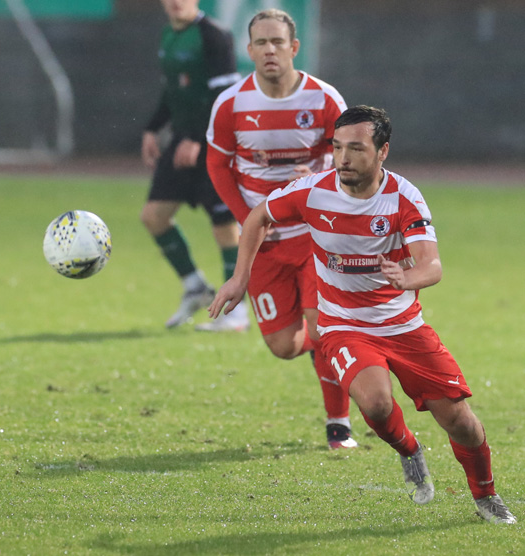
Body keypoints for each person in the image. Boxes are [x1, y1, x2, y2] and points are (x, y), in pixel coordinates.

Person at [210, 105, 517, 524]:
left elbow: (432, 265)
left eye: (356, 148)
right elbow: (259, 217)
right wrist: (239, 277)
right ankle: (410, 450)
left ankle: (486, 495)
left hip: (403, 325)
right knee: (375, 403)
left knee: (459, 420)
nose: (343, 158)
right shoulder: (312, 191)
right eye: (337, 147)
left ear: (382, 151)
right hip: (343, 324)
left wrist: (408, 278)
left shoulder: (404, 197)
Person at [205, 9, 355, 448]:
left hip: (316, 239)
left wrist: (331, 191)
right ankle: (321, 346)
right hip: (264, 245)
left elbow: (351, 160)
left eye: (277, 42)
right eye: (261, 43)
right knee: (285, 346)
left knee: (322, 329)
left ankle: (339, 425)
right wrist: (245, 217)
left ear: (294, 47)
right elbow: (217, 165)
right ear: (249, 50)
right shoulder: (231, 104)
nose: (269, 50)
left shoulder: (325, 99)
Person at [141, 0, 249, 332]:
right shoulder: (169, 35)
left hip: (214, 143)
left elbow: (225, 95)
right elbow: (172, 90)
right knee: (154, 216)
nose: (176, 2)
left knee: (224, 225)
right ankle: (195, 287)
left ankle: (237, 312)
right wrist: (152, 127)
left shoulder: (214, 36)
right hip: (182, 141)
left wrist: (197, 138)